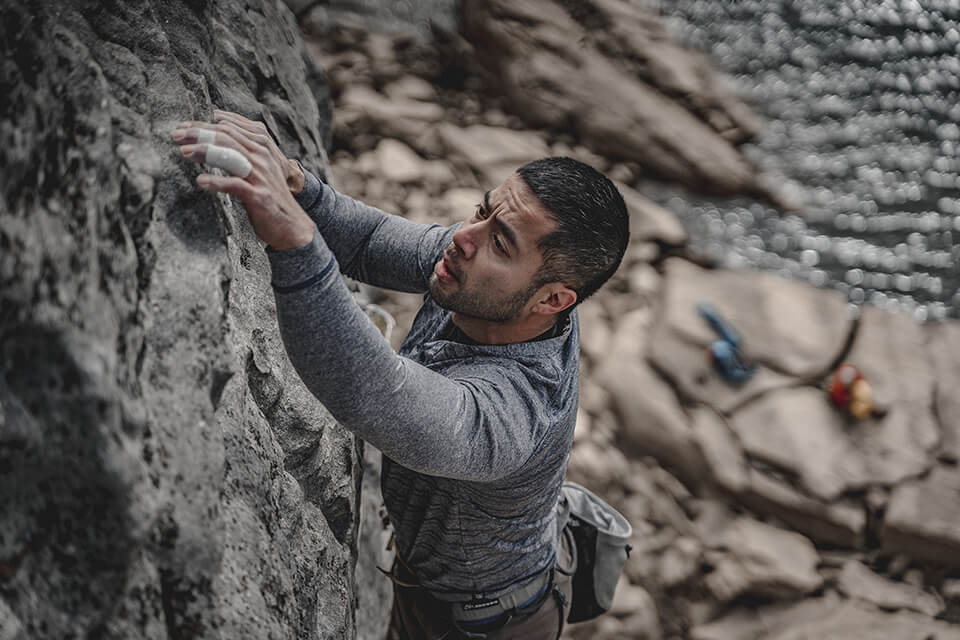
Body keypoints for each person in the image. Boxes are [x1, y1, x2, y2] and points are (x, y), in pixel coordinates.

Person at [172, 110, 629, 639]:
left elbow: (373, 391)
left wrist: (295, 242)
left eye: (501, 242)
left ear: (554, 299)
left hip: (486, 625)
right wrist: (299, 187)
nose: (463, 237)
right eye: (481, 210)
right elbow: (370, 241)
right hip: (438, 588)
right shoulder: (484, 277)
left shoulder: (513, 416)